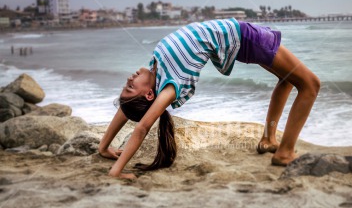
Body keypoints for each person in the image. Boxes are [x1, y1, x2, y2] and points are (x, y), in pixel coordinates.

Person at [98, 18, 320, 179]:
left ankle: (270, 139)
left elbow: (127, 109)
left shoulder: (155, 70)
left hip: (240, 35)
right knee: (311, 84)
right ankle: (285, 152)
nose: (130, 78)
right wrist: (116, 171)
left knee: (287, 78)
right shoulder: (170, 86)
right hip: (246, 37)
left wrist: (104, 147)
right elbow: (142, 127)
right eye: (129, 86)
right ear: (148, 94)